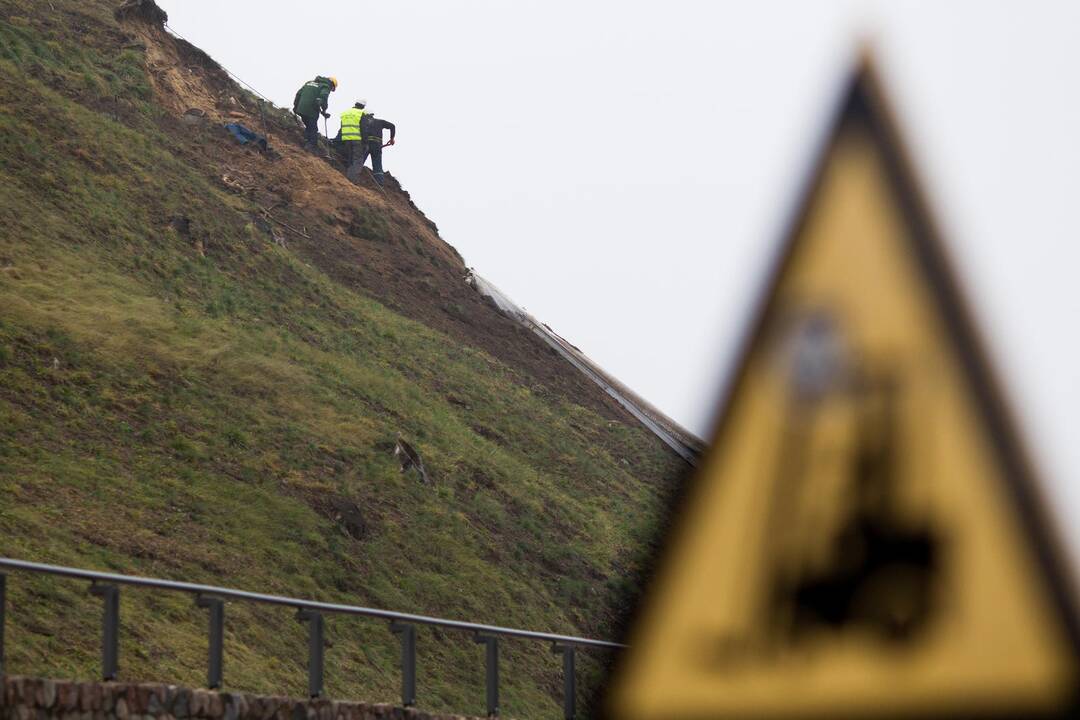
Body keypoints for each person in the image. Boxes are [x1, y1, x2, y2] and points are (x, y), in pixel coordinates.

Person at [292, 76, 337, 151]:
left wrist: (295, 106)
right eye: (332, 89)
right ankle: (311, 146)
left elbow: (299, 94)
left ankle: (306, 140)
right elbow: (323, 97)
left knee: (309, 125)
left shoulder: (309, 83)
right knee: (313, 128)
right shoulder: (325, 86)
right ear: (332, 84)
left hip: (301, 109)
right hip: (311, 111)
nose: (331, 90)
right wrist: (324, 109)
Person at [359, 109, 396, 185]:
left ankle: (355, 176)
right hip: (377, 145)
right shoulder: (380, 122)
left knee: (360, 161)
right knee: (377, 164)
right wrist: (392, 138)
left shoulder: (362, 121)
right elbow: (392, 126)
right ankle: (380, 182)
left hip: (366, 143)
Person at [339, 99, 368, 183]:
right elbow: (363, 129)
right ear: (362, 106)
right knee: (358, 160)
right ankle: (352, 178)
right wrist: (365, 141)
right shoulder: (361, 114)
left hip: (346, 139)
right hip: (357, 139)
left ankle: (348, 176)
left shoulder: (345, 113)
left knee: (350, 158)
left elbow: (342, 126)